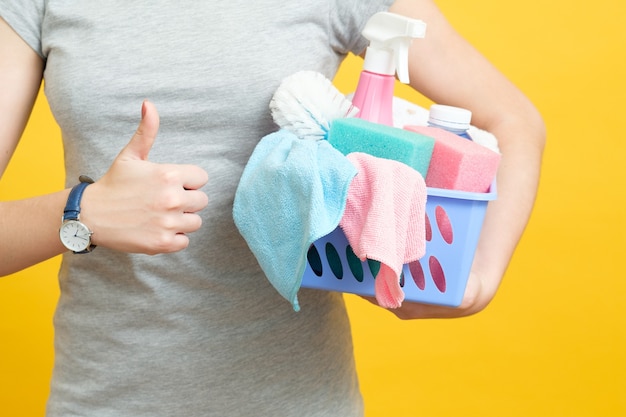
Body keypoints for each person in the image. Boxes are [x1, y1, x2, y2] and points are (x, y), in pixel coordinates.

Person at [0, 0, 545, 416]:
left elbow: (514, 122)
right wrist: (80, 211)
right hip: (105, 399)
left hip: (302, 399)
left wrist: (476, 281)